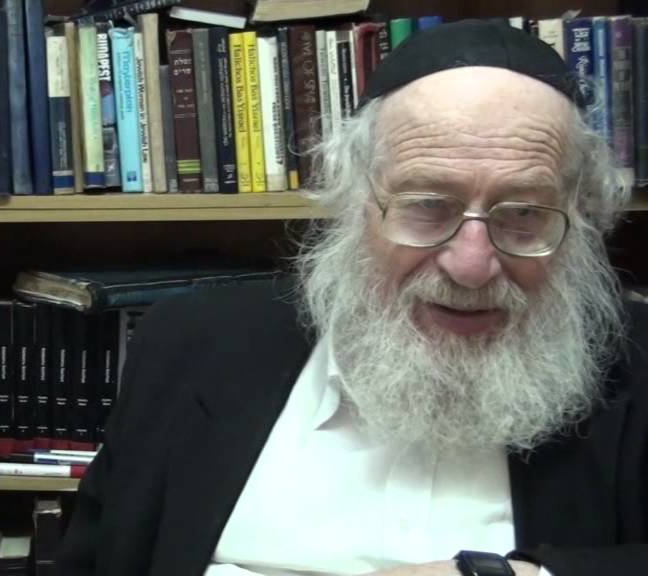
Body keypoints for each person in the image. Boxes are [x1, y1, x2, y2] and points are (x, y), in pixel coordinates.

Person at [58, 19, 648, 576]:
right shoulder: (188, 344)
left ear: (578, 217)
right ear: (352, 200)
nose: (471, 267)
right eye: (426, 205)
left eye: (523, 214)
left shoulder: (638, 363)